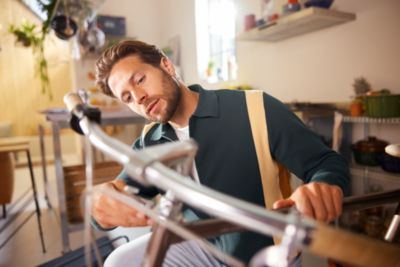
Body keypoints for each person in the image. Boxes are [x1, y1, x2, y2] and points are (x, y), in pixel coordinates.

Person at [91, 40, 349, 266]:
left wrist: (322, 185)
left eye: (139, 79)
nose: (138, 97)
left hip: (264, 251)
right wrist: (100, 205)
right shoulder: (150, 141)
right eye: (126, 97)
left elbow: (325, 162)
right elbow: (119, 191)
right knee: (119, 261)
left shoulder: (254, 107)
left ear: (167, 66)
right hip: (198, 247)